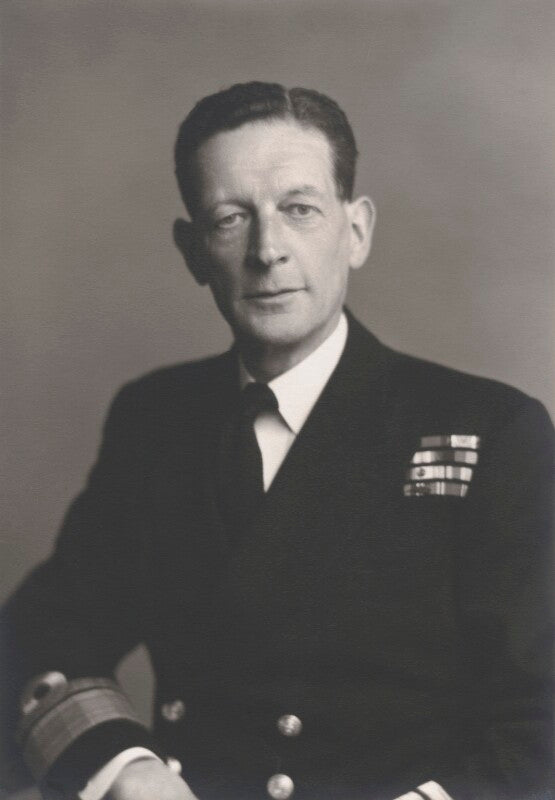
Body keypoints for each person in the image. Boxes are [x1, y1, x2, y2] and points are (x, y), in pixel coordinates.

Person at [1, 82, 553, 800]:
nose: (268, 251)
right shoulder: (156, 421)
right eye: (231, 219)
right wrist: (120, 767)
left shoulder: (491, 432)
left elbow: (540, 726)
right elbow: (36, 641)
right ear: (193, 252)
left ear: (356, 230)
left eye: (299, 209)